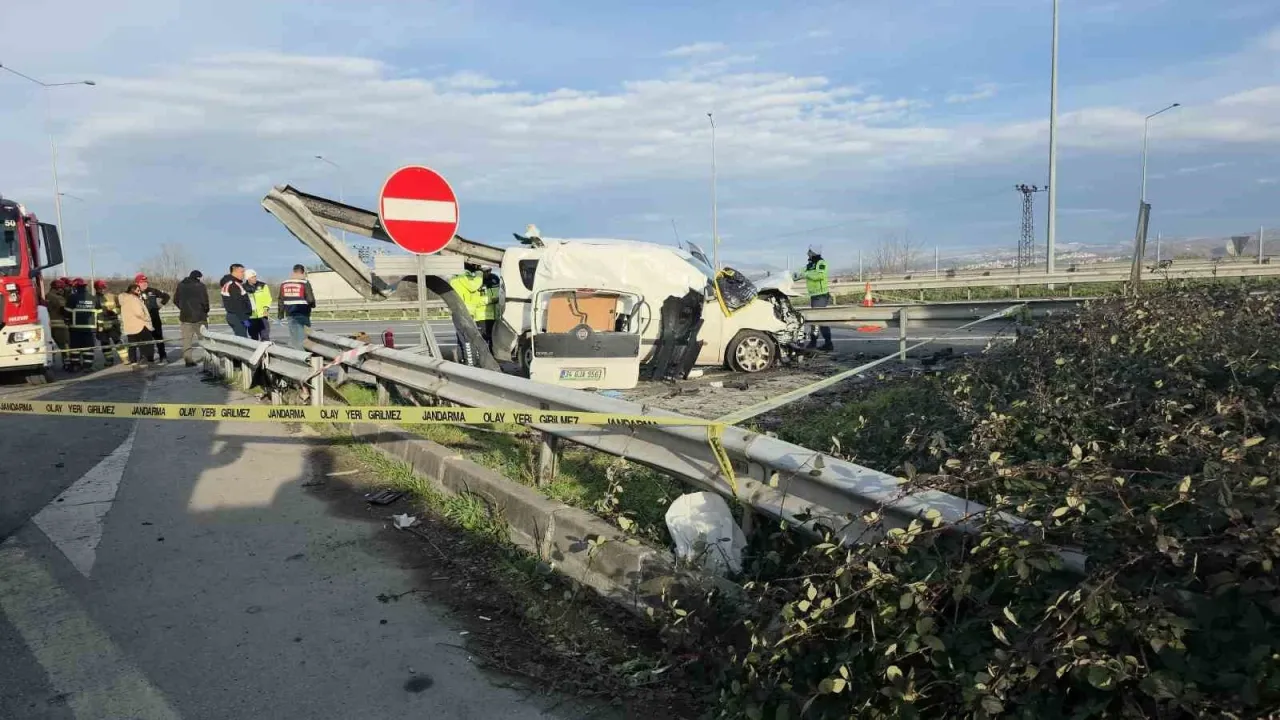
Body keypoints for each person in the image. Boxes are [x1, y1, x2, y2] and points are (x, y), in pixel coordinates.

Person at [448, 264, 490, 366]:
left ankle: (464, 361)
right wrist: (479, 273)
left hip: (460, 312)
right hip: (464, 313)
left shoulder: (455, 278)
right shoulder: (463, 277)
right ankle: (471, 363)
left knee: (462, 339)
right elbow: (473, 286)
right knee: (468, 339)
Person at [798, 245, 834, 352]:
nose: (807, 253)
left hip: (821, 295)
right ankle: (826, 343)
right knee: (818, 320)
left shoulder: (821, 263)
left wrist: (806, 274)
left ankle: (818, 343)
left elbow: (820, 276)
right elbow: (800, 273)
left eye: (809, 251)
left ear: (814, 252)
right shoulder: (810, 265)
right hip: (814, 296)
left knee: (818, 320)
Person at [175, 270, 210, 367]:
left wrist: (183, 308)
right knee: (204, 339)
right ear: (198, 277)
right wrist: (205, 310)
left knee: (186, 340)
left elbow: (176, 300)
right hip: (199, 317)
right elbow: (205, 301)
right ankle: (208, 359)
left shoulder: (181, 285)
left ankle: (188, 360)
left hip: (185, 317)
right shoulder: (201, 286)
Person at [277, 264, 316, 349]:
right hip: (302, 313)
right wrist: (313, 306)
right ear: (302, 273)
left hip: (290, 314)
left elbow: (280, 300)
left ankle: (297, 354)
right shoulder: (304, 283)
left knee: (294, 337)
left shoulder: (284, 284)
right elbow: (310, 300)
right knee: (304, 337)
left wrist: (280, 315)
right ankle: (305, 356)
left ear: (293, 272)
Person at [136, 274, 171, 363]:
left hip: (154, 319)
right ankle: (146, 357)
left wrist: (159, 305)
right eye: (142, 282)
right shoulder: (135, 293)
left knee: (158, 338)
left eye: (146, 282)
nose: (145, 284)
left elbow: (166, 296)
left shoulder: (153, 291)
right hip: (142, 321)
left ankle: (163, 356)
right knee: (144, 340)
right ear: (137, 283)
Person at [119, 283, 156, 366]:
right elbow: (139, 312)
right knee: (147, 343)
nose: (139, 292)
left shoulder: (124, 300)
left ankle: (133, 361)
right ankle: (148, 359)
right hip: (140, 325)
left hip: (129, 326)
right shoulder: (134, 299)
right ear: (132, 290)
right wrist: (147, 318)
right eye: (138, 290)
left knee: (132, 344)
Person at [93, 280, 127, 367]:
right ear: (96, 289)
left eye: (104, 288)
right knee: (105, 344)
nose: (103, 289)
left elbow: (119, 308)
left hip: (113, 323)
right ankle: (109, 360)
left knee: (118, 341)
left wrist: (114, 311)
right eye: (101, 288)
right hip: (102, 325)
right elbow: (93, 313)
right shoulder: (94, 299)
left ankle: (125, 359)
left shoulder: (112, 297)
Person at [67, 278, 97, 372]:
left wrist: (67, 321)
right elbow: (99, 312)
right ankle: (87, 366)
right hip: (90, 329)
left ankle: (75, 366)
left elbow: (67, 312)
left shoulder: (72, 297)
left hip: (75, 328)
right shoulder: (93, 298)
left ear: (76, 287)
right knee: (88, 348)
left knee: (75, 348)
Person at [219, 264, 252, 338]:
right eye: (242, 272)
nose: (243, 274)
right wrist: (244, 319)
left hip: (237, 315)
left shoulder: (234, 283)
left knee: (241, 338)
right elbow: (237, 304)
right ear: (235, 272)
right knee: (243, 340)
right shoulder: (233, 285)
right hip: (237, 316)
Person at [46, 278, 72, 371]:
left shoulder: (47, 296)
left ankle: (53, 362)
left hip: (49, 326)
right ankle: (67, 363)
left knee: (51, 345)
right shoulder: (58, 298)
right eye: (62, 288)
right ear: (58, 288)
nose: (63, 290)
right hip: (60, 326)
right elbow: (64, 311)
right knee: (65, 345)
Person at [244, 269, 273, 341]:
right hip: (251, 317)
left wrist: (266, 309)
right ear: (247, 278)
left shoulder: (263, 285)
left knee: (265, 337)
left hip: (262, 316)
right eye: (252, 277)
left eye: (255, 276)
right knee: (254, 338)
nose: (255, 278)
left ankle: (267, 352)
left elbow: (268, 298)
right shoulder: (243, 287)